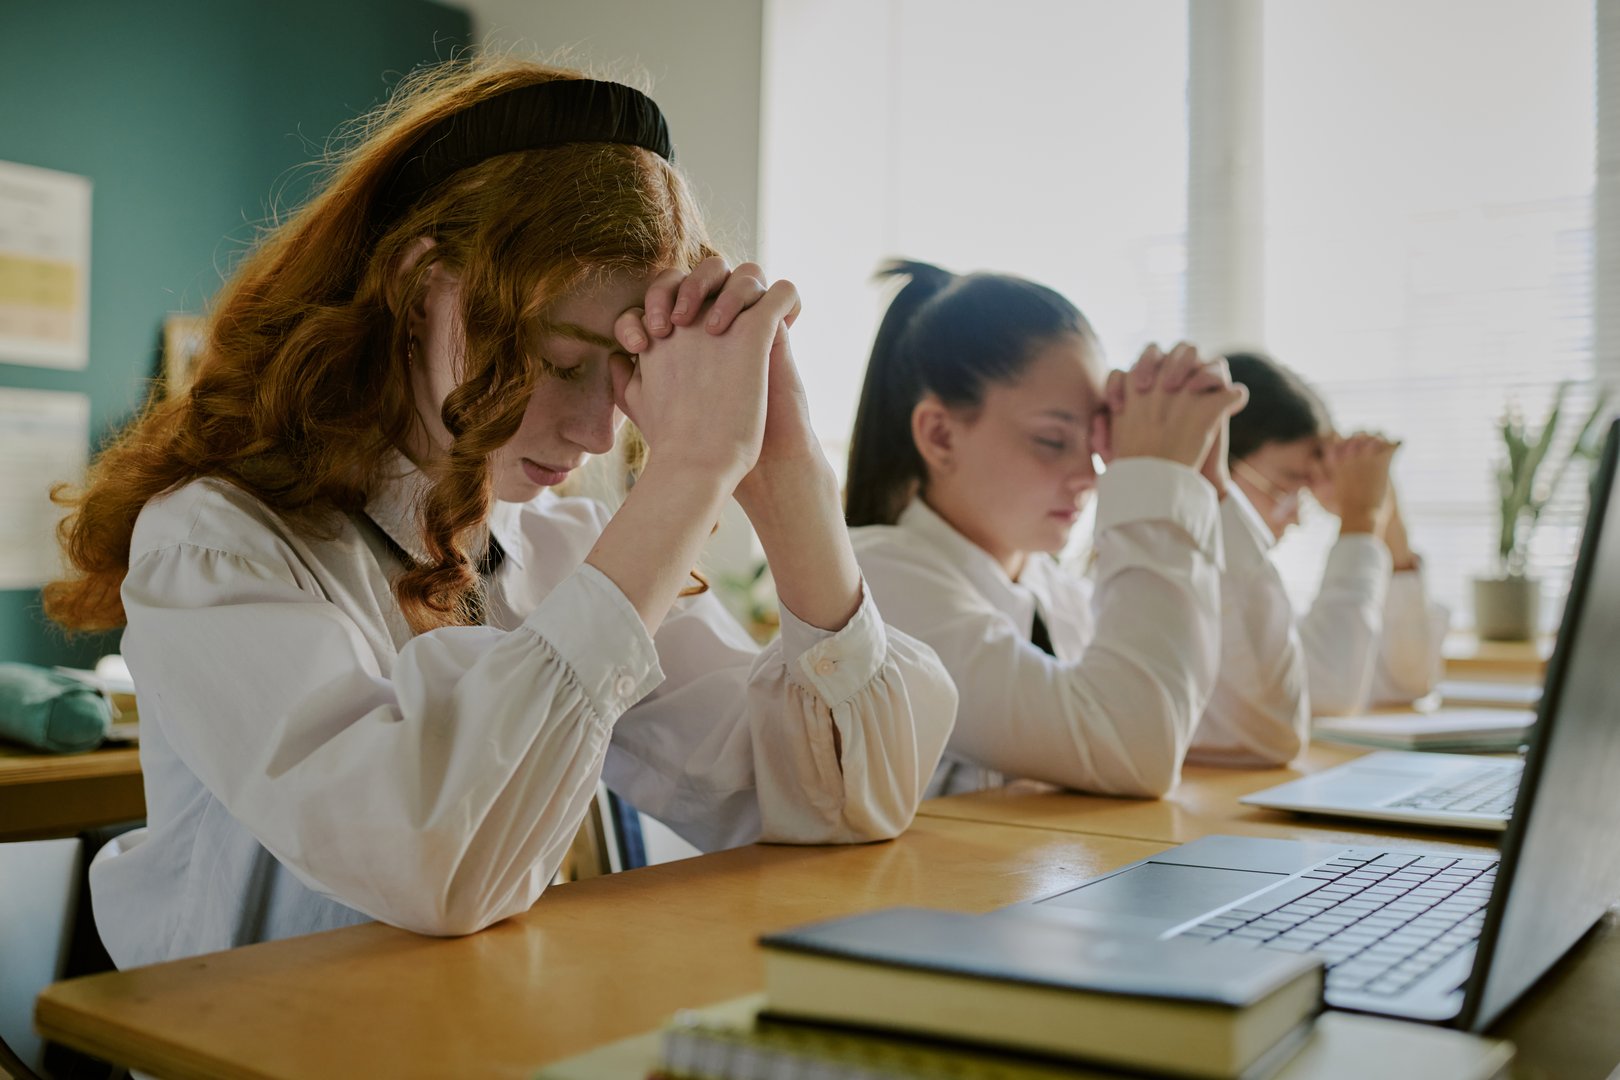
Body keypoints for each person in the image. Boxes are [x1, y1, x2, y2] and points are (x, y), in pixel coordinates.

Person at [44, 61, 956, 969]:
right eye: (564, 364)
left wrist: (786, 469)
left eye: (626, 374)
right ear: (417, 285)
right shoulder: (219, 544)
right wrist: (685, 475)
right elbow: (436, 863)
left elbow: (845, 804)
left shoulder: (556, 547)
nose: (601, 431)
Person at [845, 261, 1259, 798]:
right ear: (941, 435)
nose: (1090, 475)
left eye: (1095, 443)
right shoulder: (877, 581)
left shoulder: (1057, 592)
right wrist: (1158, 484)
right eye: (1052, 440)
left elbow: (1253, 732)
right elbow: (1136, 753)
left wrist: (1209, 486)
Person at [1223, 351, 1448, 717]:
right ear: (1219, 462)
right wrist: (1360, 520)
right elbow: (1329, 692)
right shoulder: (1202, 578)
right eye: (1287, 484)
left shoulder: (1263, 588)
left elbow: (1408, 682)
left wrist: (1388, 524)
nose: (1296, 516)